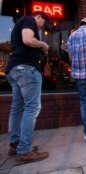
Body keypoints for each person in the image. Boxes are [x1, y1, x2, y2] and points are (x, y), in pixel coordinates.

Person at [5, 11, 50, 165]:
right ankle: (24, 150)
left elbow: (25, 44)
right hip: (26, 69)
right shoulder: (29, 20)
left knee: (17, 107)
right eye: (44, 23)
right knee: (32, 107)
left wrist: (39, 51)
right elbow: (28, 40)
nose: (42, 27)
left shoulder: (22, 23)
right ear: (39, 17)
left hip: (15, 69)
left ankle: (15, 144)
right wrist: (43, 44)